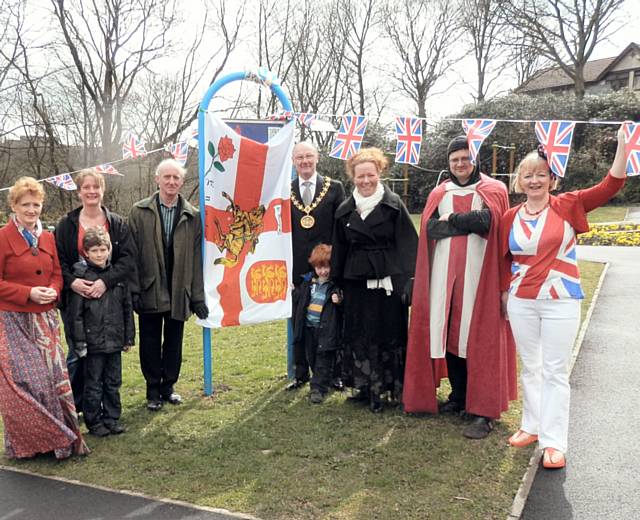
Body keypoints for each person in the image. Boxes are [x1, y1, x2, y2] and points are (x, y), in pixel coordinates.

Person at [500, 126, 627, 468]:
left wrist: (623, 146)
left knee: (555, 371)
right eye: (528, 175)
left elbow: (611, 185)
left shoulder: (569, 204)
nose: (534, 180)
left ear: (552, 179)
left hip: (560, 300)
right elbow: (503, 260)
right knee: (530, 367)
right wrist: (503, 294)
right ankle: (531, 425)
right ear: (519, 181)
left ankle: (554, 442)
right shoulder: (510, 217)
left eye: (541, 174)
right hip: (522, 300)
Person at [403, 136, 517, 439]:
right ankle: (459, 396)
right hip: (443, 278)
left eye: (465, 158)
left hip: (481, 278)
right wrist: (467, 223)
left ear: (474, 159)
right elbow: (430, 228)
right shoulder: (439, 192)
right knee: (450, 332)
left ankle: (483, 411)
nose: (460, 164)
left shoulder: (494, 189)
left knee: (479, 339)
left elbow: (490, 222)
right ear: (449, 163)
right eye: (455, 160)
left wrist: (452, 219)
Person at [0, 176, 88, 459]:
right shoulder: (2, 238)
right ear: (14, 205)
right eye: (25, 204)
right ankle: (32, 443)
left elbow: (56, 274)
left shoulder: (47, 237)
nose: (31, 210)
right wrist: (27, 293)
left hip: (46, 320)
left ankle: (59, 441)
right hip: (13, 320)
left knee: (54, 379)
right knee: (27, 383)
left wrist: (52, 290)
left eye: (36, 204)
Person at [331, 147, 418, 413]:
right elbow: (339, 249)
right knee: (359, 332)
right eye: (360, 176)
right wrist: (336, 283)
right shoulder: (345, 211)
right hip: (356, 281)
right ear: (352, 178)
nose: (366, 181)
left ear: (379, 173)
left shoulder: (393, 206)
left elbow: (408, 245)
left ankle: (388, 388)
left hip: (388, 282)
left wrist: (409, 281)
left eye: (370, 175)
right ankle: (364, 386)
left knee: (388, 333)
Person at [128, 159, 208, 411]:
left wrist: (196, 296)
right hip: (150, 287)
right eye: (167, 177)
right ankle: (152, 389)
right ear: (157, 180)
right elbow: (131, 255)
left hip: (179, 287)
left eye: (176, 178)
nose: (171, 182)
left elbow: (196, 259)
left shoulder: (192, 215)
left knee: (174, 341)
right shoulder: (139, 212)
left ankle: (168, 387)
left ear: (182, 182)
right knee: (150, 341)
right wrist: (134, 290)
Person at [55, 168, 135, 412]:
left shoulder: (117, 223)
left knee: (107, 360)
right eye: (86, 187)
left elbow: (127, 260)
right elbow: (58, 261)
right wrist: (72, 282)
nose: (91, 191)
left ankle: (104, 408)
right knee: (78, 354)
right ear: (79, 192)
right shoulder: (66, 224)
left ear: (103, 190)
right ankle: (75, 405)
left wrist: (105, 282)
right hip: (77, 301)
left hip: (109, 299)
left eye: (96, 187)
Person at [288, 141, 346, 390]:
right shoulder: (285, 190)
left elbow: (341, 230)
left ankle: (334, 374)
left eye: (309, 156)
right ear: (293, 161)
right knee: (299, 322)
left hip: (327, 268)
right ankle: (301, 373)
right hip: (298, 270)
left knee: (331, 322)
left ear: (317, 158)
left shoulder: (334, 188)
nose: (305, 161)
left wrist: (337, 269)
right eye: (300, 157)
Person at [67, 227, 134, 437]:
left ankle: (112, 418)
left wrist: (128, 337)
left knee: (113, 381)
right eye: (94, 250)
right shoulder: (81, 278)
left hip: (114, 340)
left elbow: (127, 309)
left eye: (103, 250)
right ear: (86, 252)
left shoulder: (117, 278)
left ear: (109, 250)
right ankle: (94, 421)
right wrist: (79, 342)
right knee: (93, 384)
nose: (99, 254)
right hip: (92, 343)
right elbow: (75, 316)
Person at [291, 244, 343, 404]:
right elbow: (300, 300)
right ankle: (328, 378)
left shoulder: (334, 286)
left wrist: (338, 298)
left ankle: (318, 388)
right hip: (309, 327)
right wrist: (294, 292)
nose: (323, 271)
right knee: (312, 356)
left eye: (326, 267)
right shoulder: (309, 282)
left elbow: (342, 301)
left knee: (323, 357)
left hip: (326, 329)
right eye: (320, 268)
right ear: (314, 267)